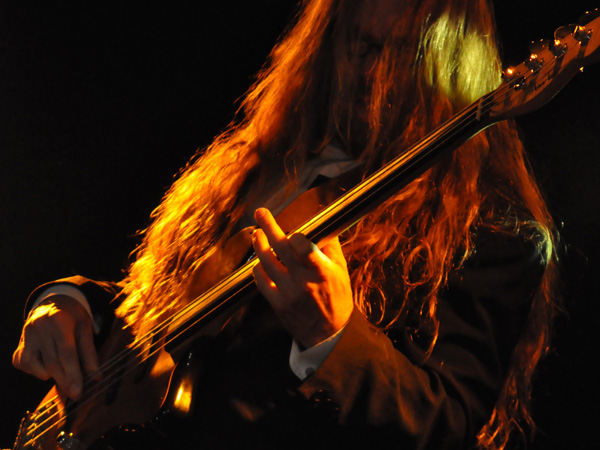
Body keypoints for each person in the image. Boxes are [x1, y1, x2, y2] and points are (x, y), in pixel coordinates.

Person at [12, 0, 559, 449]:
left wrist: (333, 336)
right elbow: (163, 316)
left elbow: (448, 426)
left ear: (450, 64)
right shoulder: (254, 167)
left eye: (396, 54)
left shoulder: (493, 230)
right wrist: (70, 303)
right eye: (358, 46)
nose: (371, 74)